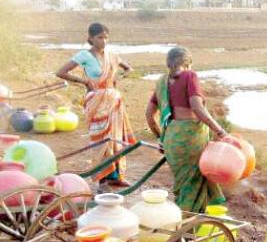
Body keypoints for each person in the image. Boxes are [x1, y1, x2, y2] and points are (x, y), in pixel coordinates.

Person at [144, 47, 228, 212]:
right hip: (190, 139)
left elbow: (149, 114)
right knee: (193, 183)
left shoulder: (161, 82)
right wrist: (220, 131)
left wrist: (161, 138)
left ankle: (182, 221)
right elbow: (197, 108)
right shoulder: (190, 76)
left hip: (171, 140)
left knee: (184, 185)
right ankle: (185, 226)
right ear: (188, 63)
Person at [56, 22, 136, 188]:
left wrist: (117, 78)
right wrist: (84, 81)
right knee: (100, 140)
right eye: (100, 37)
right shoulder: (84, 55)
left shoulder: (112, 55)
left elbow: (129, 69)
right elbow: (61, 72)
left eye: (106, 37)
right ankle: (102, 176)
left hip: (113, 102)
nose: (104, 41)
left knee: (115, 139)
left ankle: (116, 176)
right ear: (91, 38)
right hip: (95, 103)